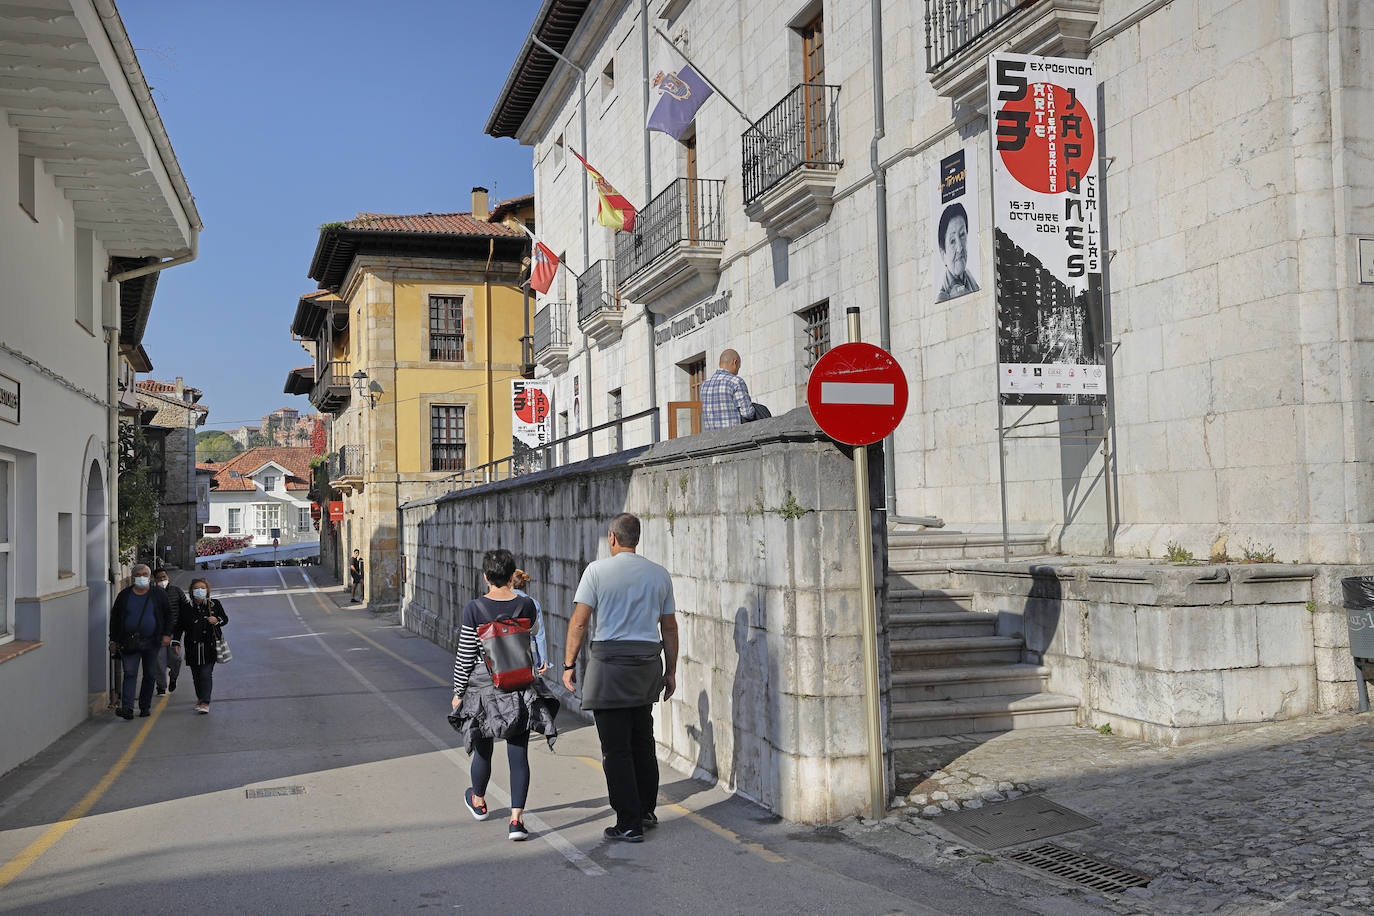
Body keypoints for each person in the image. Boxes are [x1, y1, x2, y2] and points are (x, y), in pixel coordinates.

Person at [564, 513, 678, 842]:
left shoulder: (596, 571)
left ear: (612, 538)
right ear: (636, 539)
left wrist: (569, 663)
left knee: (615, 749)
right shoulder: (659, 575)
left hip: (610, 667)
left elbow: (579, 622)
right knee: (642, 739)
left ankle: (628, 823)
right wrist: (670, 672)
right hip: (646, 666)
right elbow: (668, 628)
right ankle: (645, 810)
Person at [449, 550, 560, 843]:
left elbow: (466, 655)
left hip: (484, 689)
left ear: (485, 577)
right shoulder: (526, 605)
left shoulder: (474, 609)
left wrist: (458, 693)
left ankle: (479, 801)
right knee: (518, 753)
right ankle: (516, 821)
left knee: (483, 748)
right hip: (520, 686)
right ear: (513, 576)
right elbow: (533, 636)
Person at [108, 563, 174, 719]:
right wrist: (113, 640)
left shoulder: (158, 594)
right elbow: (115, 619)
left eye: (145, 574)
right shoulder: (124, 596)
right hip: (129, 641)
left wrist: (166, 634)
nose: (141, 577)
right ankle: (128, 708)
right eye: (138, 574)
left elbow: (168, 615)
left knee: (149, 674)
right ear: (132, 577)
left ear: (150, 577)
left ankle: (145, 706)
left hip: (152, 641)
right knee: (130, 673)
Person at [176, 578, 227, 715]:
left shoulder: (214, 604)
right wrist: (176, 642)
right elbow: (179, 627)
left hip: (209, 645)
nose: (200, 590)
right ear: (192, 591)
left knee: (205, 673)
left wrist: (216, 620)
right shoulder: (186, 608)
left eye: (203, 588)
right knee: (196, 675)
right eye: (196, 588)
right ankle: (200, 697)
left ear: (207, 590)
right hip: (192, 646)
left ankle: (205, 702)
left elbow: (225, 619)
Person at [698, 348, 756, 430]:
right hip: (733, 437)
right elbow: (748, 413)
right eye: (739, 366)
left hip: (711, 439)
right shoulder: (736, 382)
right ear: (735, 362)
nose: (738, 370)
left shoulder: (704, 385)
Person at [152, 568, 188, 696]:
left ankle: (173, 677)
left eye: (164, 577)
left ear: (168, 577)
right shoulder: (152, 594)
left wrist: (177, 638)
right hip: (157, 635)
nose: (162, 580)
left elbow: (185, 611)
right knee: (159, 661)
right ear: (155, 580)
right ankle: (161, 687)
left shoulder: (176, 591)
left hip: (174, 632)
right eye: (159, 578)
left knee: (176, 659)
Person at [935, 201, 979, 302]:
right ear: (943, 254)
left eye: (962, 234)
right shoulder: (943, 299)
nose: (960, 248)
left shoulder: (970, 277)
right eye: (952, 241)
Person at [510, 569, 549, 676]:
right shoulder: (533, 603)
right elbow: (539, 634)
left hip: (506, 654)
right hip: (529, 655)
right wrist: (543, 660)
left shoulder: (503, 600)